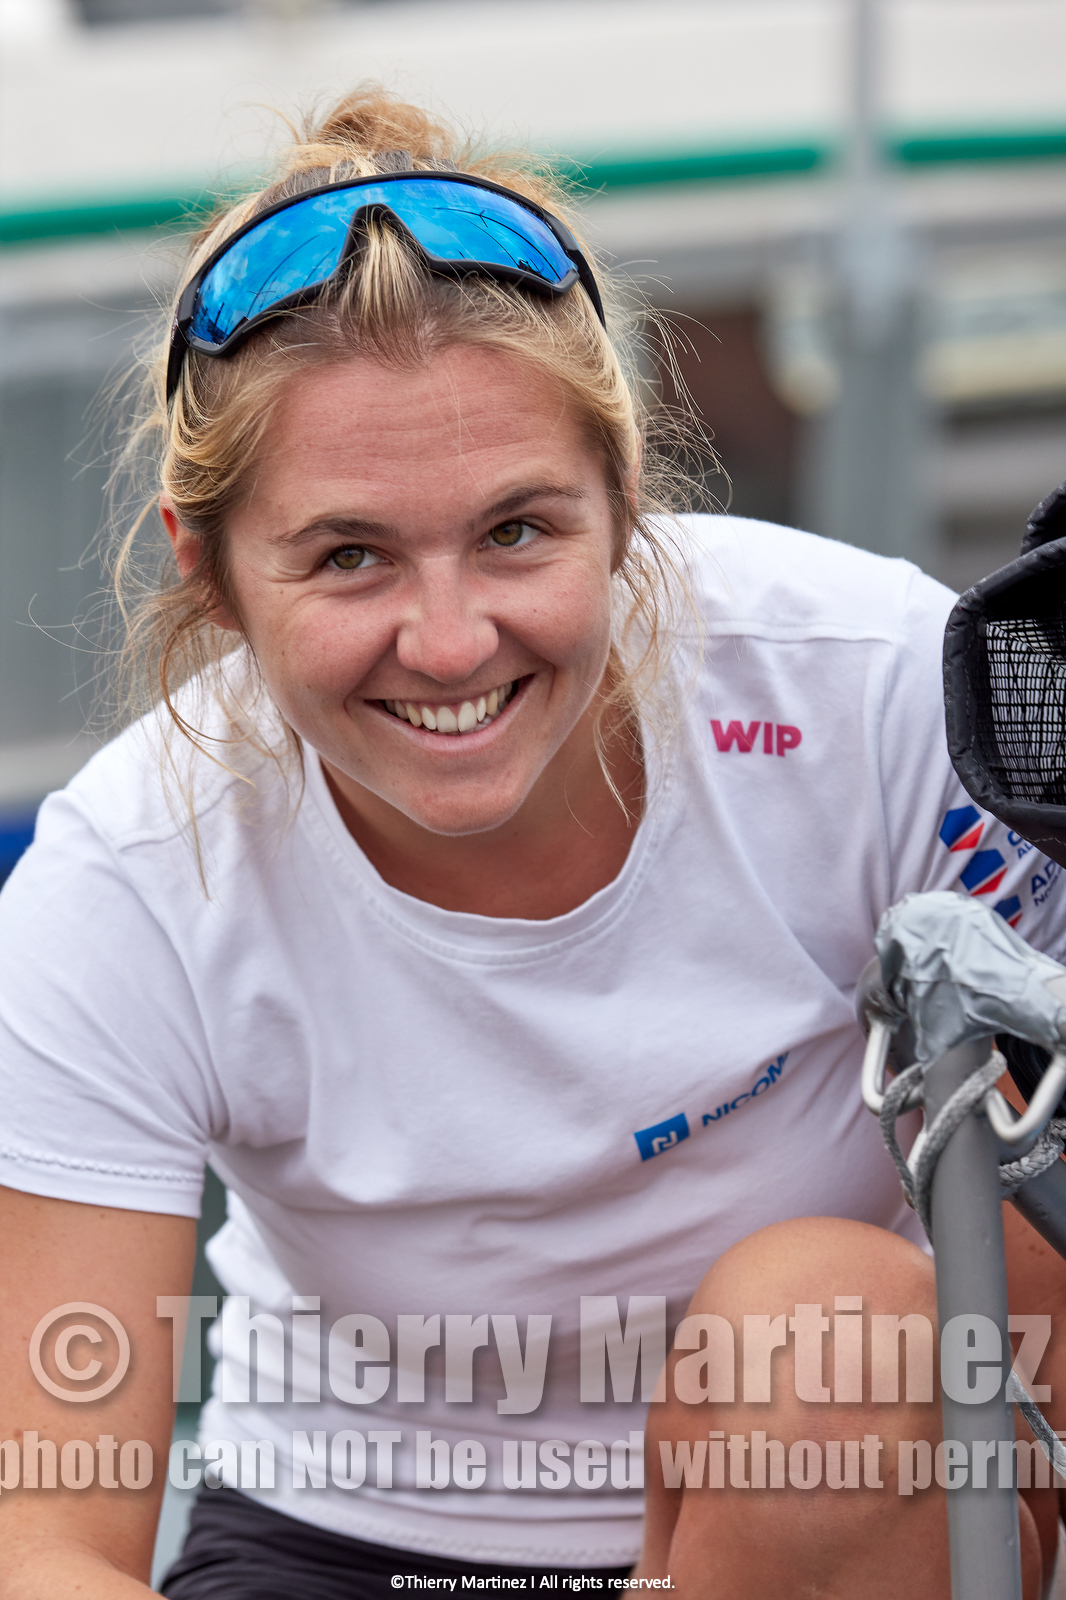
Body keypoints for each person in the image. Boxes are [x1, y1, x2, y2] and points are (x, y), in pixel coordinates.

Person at [0, 89, 1064, 1600]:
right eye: (348, 556)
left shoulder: (878, 682)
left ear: (624, 501)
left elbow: (1036, 1351)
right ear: (213, 575)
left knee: (832, 1325)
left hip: (818, 1507)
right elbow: (41, 1536)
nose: (447, 643)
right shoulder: (126, 874)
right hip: (338, 1538)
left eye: (516, 532)